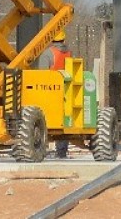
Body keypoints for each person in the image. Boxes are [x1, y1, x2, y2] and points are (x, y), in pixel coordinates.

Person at [49, 29, 71, 157]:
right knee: (64, 120)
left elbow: (42, 73)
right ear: (63, 39)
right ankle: (61, 151)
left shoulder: (49, 53)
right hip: (66, 88)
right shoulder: (68, 53)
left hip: (50, 89)